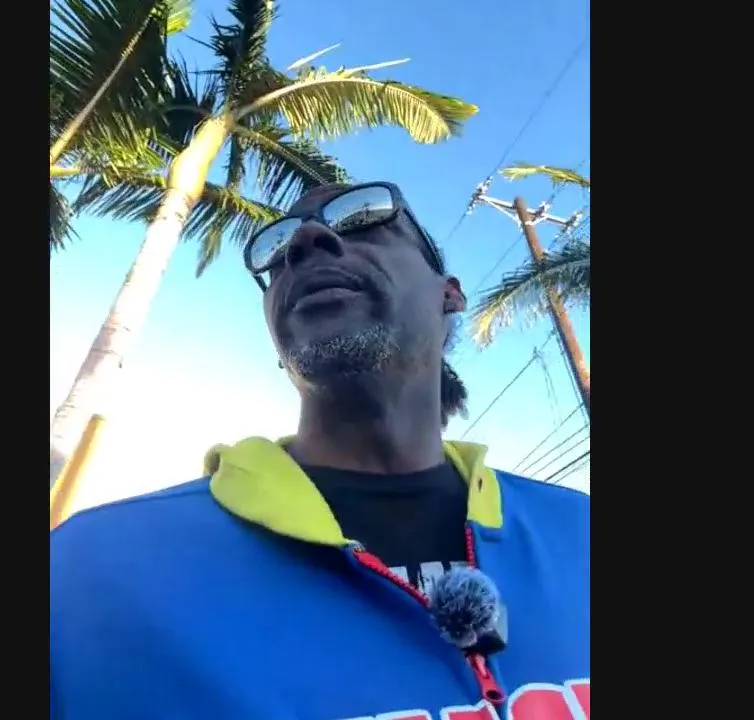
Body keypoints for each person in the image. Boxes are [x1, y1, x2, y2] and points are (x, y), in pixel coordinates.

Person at [49, 182, 590, 720]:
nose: (304, 240)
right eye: (276, 247)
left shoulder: (581, 530)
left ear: (449, 295)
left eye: (363, 217)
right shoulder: (86, 574)